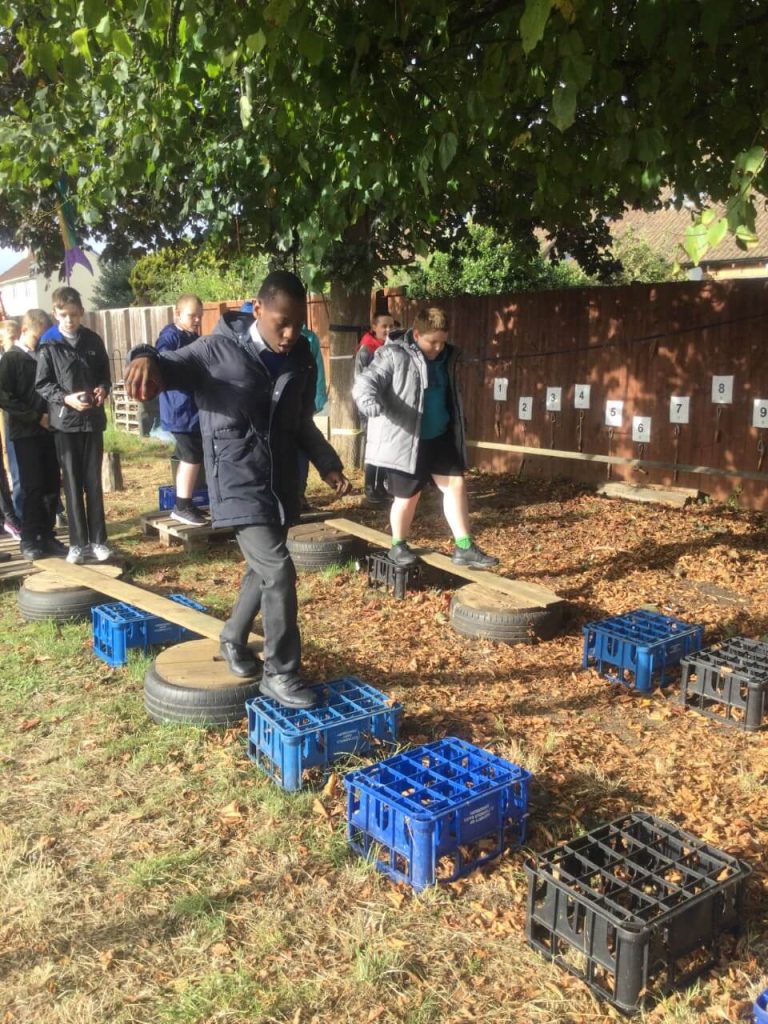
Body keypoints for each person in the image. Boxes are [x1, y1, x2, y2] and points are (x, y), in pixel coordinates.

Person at [124, 271, 351, 710]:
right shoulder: (216, 349)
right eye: (281, 322)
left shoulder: (300, 353)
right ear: (257, 309)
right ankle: (281, 674)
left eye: (298, 324)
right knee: (279, 571)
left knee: (262, 569)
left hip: (284, 481)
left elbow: (300, 420)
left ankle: (232, 637)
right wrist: (143, 355)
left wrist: (327, 463)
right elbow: (167, 364)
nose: (289, 333)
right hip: (236, 480)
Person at [353, 305, 498, 570]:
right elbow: (366, 382)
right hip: (409, 439)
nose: (439, 348)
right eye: (433, 342)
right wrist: (367, 401)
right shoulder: (393, 354)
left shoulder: (447, 357)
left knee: (455, 485)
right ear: (417, 334)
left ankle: (464, 547)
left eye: (443, 342)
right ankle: (398, 545)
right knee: (408, 497)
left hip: (440, 436)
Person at [35, 286, 112, 564]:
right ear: (56, 314)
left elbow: (105, 373)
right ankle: (77, 543)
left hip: (92, 422)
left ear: (81, 313)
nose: (70, 320)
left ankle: (98, 541)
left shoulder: (93, 339)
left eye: (75, 315)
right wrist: (66, 399)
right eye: (64, 315)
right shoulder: (49, 344)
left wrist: (104, 389)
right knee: (72, 482)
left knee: (93, 482)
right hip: (65, 424)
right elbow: (42, 384)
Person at [0, 309, 66, 559]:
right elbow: (4, 397)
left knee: (51, 483)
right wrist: (35, 416)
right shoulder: (11, 359)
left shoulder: (45, 354)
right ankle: (29, 538)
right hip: (25, 432)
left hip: (49, 431)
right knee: (32, 486)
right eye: (38, 338)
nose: (42, 342)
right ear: (24, 331)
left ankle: (47, 536)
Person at [155, 294, 206, 526]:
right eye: (191, 315)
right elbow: (162, 357)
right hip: (179, 410)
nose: (196, 320)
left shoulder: (193, 336)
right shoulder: (170, 336)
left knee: (196, 455)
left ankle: (188, 501)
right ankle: (181, 506)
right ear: (177, 314)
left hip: (194, 410)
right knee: (190, 456)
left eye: (199, 316)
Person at [354, 312, 394, 505]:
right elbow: (361, 380)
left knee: (386, 446)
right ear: (374, 327)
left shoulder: (392, 348)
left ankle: (382, 486)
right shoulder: (367, 348)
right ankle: (370, 487)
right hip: (371, 408)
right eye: (384, 326)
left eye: (391, 326)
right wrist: (369, 404)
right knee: (373, 446)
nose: (388, 330)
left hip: (387, 408)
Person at [0, 318, 23, 520]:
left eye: (17, 337)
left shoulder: (22, 359)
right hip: (8, 421)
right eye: (10, 338)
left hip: (21, 423)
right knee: (14, 472)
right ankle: (15, 513)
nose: (14, 342)